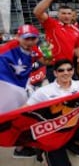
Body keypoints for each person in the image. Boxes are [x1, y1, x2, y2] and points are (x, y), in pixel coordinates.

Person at [25, 59, 79, 166]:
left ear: (73, 71)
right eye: (61, 70)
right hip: (52, 131)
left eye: (69, 69)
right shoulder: (44, 91)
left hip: (70, 124)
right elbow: (24, 109)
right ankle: (44, 152)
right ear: (55, 73)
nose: (66, 72)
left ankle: (69, 143)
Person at [0, 24, 45, 158]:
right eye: (26, 38)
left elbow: (45, 61)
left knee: (19, 117)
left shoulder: (34, 48)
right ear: (18, 37)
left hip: (20, 88)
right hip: (6, 87)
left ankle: (20, 147)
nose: (30, 42)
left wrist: (49, 55)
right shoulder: (7, 48)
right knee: (9, 118)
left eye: (33, 38)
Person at [33, 0, 79, 82]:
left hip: (69, 66)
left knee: (73, 92)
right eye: (63, 13)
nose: (66, 16)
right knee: (59, 92)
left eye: (69, 14)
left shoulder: (76, 30)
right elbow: (37, 12)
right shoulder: (52, 24)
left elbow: (77, 47)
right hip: (53, 66)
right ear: (58, 14)